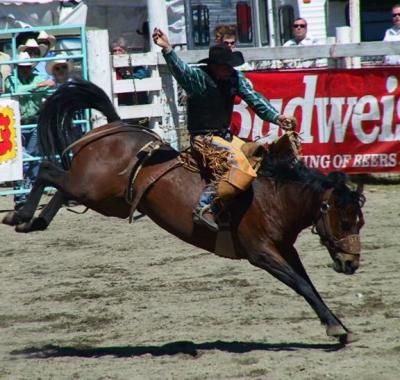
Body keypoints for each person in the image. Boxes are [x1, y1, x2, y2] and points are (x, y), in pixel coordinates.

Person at [152, 27, 293, 231]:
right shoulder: (199, 78)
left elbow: (255, 99)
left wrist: (277, 117)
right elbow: (181, 71)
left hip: (225, 136)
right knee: (237, 164)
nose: (230, 69)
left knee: (257, 155)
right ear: (216, 66)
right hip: (204, 138)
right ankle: (205, 206)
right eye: (227, 66)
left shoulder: (234, 78)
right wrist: (168, 49)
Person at [4, 51, 50, 209]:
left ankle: (28, 194)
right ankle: (21, 196)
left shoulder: (36, 78)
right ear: (18, 67)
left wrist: (43, 85)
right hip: (17, 123)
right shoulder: (12, 80)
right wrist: (37, 86)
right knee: (21, 161)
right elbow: (16, 92)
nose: (25, 70)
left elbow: (50, 86)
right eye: (22, 67)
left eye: (27, 67)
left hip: (33, 122)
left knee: (32, 159)